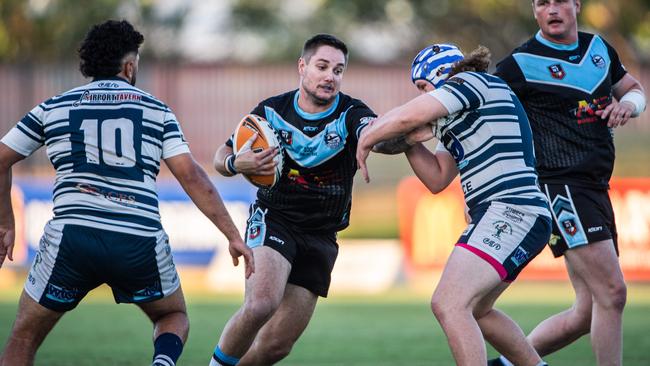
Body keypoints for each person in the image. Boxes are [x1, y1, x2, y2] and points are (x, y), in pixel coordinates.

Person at [0, 20, 253, 366]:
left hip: (72, 240)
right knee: (173, 317)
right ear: (129, 65)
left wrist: (6, 222)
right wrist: (233, 235)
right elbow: (192, 176)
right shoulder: (156, 110)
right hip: (137, 240)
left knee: (23, 338)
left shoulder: (52, 107)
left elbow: (1, 160)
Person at [357, 44, 552, 366]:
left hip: (511, 209)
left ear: (439, 76)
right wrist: (407, 140)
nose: (421, 95)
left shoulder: (470, 83)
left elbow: (409, 114)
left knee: (449, 303)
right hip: (515, 213)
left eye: (422, 87)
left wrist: (368, 136)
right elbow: (437, 179)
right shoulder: (459, 118)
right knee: (478, 311)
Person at [491, 1, 646, 365]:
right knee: (613, 292)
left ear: (576, 4)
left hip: (594, 186)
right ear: (534, 10)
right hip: (560, 187)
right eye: (542, 2)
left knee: (588, 310)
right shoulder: (520, 63)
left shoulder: (598, 49)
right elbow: (483, 102)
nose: (552, 8)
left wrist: (630, 105)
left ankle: (509, 362)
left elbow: (633, 87)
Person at [209, 34, 376, 366]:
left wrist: (391, 137)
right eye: (323, 66)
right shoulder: (272, 111)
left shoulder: (351, 112)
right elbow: (222, 155)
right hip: (276, 217)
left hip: (322, 234)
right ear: (302, 67)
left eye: (339, 70)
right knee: (260, 305)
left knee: (276, 347)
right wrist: (233, 163)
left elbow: (376, 132)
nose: (331, 76)